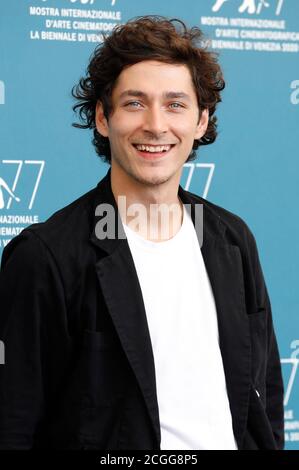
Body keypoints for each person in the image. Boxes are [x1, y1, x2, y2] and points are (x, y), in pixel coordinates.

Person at [0, 15, 284, 450]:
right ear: (101, 117)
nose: (155, 125)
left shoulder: (232, 239)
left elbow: (263, 394)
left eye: (175, 104)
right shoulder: (47, 257)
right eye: (134, 103)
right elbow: (14, 423)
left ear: (201, 121)